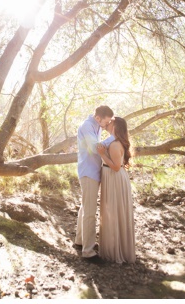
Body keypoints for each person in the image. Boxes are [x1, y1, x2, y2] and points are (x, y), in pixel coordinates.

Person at [75, 105, 114, 263]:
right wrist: (114, 136)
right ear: (98, 118)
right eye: (106, 121)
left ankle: (80, 241)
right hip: (88, 172)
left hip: (91, 172)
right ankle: (88, 252)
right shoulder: (87, 126)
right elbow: (94, 148)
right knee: (90, 212)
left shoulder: (95, 126)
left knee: (86, 207)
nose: (107, 124)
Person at [97, 117, 136, 263]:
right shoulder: (112, 142)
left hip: (114, 178)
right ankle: (117, 247)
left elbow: (115, 166)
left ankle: (115, 251)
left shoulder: (114, 145)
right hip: (113, 178)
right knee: (114, 211)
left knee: (113, 211)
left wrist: (102, 154)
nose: (108, 123)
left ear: (116, 126)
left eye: (110, 122)